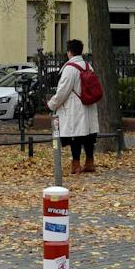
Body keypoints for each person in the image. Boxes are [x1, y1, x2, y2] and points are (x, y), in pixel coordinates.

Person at [49, 38, 100, 173]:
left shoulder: (70, 69)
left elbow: (62, 92)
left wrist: (51, 104)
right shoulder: (89, 66)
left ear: (70, 52)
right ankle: (90, 162)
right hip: (89, 106)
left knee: (75, 137)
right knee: (89, 136)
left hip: (74, 109)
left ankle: (76, 164)